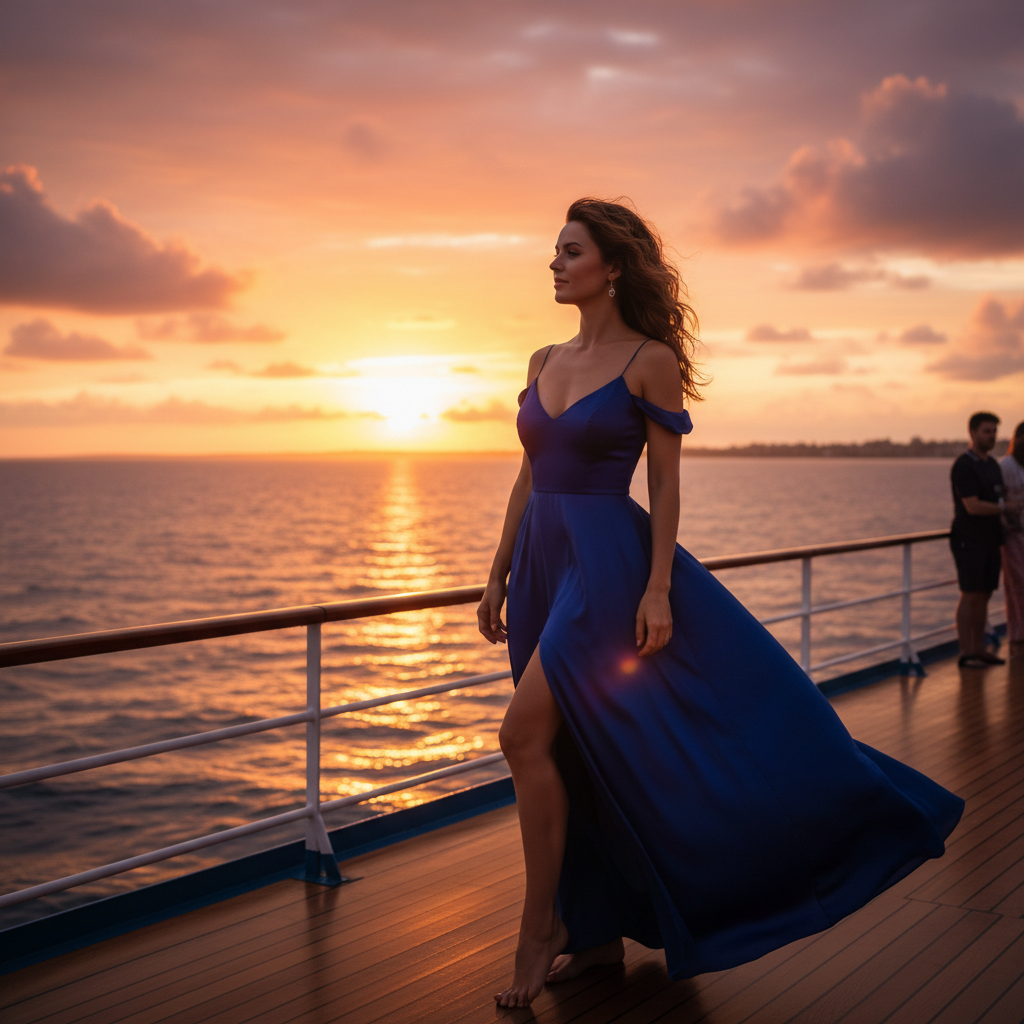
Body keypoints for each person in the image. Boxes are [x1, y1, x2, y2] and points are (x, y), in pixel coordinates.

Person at [477, 197, 965, 1009]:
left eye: (569, 251)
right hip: (538, 566)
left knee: (520, 736)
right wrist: (496, 571)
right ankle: (594, 937)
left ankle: (541, 930)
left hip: (604, 571)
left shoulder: (649, 359)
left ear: (613, 266)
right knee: (565, 754)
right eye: (553, 252)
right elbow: (530, 474)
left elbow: (665, 483)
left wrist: (659, 585)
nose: (554, 264)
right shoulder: (541, 360)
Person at [950, 412, 1006, 668]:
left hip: (991, 538)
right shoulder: (964, 465)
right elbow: (971, 506)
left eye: (994, 431)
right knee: (970, 594)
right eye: (986, 431)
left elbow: (999, 499)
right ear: (972, 433)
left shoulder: (992, 466)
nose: (991, 436)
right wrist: (1007, 508)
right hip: (968, 538)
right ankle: (966, 651)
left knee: (984, 594)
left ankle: (979, 648)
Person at [1000, 421, 1024, 658]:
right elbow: (998, 497)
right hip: (1013, 533)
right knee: (1018, 582)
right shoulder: (1006, 465)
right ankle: (1018, 632)